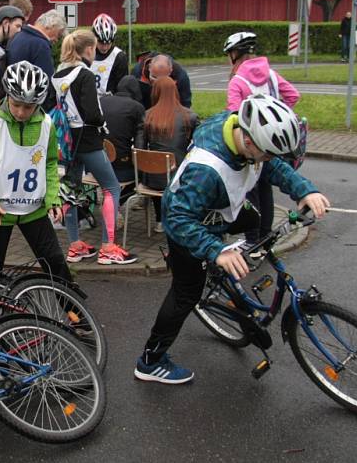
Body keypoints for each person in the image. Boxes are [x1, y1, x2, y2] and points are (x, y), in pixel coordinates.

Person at [134, 95, 330, 384]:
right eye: (266, 153)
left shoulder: (241, 128)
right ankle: (150, 361)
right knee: (185, 294)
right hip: (189, 221)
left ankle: (227, 269)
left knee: (253, 221)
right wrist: (216, 251)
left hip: (221, 207)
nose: (269, 160)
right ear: (249, 142)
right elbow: (177, 220)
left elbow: (272, 166)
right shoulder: (206, 169)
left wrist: (304, 190)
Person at [0, 61, 71, 281]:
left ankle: (75, 313)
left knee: (57, 265)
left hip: (34, 209)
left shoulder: (47, 124)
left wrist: (53, 198)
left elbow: (49, 163)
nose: (21, 112)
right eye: (16, 104)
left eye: (28, 107)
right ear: (7, 97)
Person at [53, 29, 136, 265]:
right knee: (111, 187)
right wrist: (102, 120)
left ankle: (75, 245)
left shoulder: (58, 74)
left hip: (67, 140)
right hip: (89, 139)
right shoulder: (85, 74)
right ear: (89, 49)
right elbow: (93, 113)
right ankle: (108, 247)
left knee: (70, 190)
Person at [224, 31, 299, 243]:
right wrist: (277, 121)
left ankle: (252, 240)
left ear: (235, 54)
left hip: (251, 146)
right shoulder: (272, 75)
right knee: (266, 189)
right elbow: (293, 95)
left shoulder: (237, 81)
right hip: (272, 144)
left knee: (250, 191)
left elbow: (234, 116)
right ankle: (267, 236)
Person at [143, 76, 199, 231]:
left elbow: (140, 148)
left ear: (155, 92)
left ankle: (160, 220)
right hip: (182, 179)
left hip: (154, 180)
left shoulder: (147, 116)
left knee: (155, 168)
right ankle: (181, 218)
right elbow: (197, 148)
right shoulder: (190, 116)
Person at [99, 75, 145, 184]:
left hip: (99, 165)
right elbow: (140, 144)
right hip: (122, 169)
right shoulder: (136, 107)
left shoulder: (102, 101)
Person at [7, 9, 66, 78]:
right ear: (51, 26)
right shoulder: (41, 45)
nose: (56, 39)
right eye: (59, 34)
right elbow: (46, 80)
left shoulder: (17, 37)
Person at [90, 14, 128, 96]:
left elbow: (122, 87)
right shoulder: (86, 52)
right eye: (100, 42)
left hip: (110, 103)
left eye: (108, 43)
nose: (105, 47)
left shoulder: (119, 57)